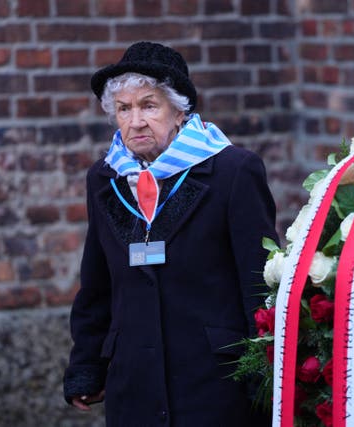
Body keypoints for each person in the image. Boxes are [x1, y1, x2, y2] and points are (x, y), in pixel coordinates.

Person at [63, 41, 278, 427]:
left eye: (149, 105)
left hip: (214, 384)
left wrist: (264, 375)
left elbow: (259, 283)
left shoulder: (232, 171)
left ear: (179, 111)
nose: (136, 121)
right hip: (133, 383)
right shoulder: (105, 178)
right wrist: (86, 365)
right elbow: (96, 284)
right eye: (124, 109)